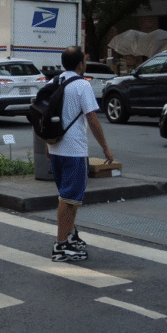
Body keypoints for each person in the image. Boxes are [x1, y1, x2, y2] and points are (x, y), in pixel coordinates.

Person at [46, 46, 114, 262]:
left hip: (55, 149)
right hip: (74, 151)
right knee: (68, 200)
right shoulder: (82, 85)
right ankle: (60, 246)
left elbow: (41, 114)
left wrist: (47, 144)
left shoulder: (53, 82)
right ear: (80, 64)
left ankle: (69, 236)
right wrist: (105, 147)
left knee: (70, 198)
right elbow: (92, 119)